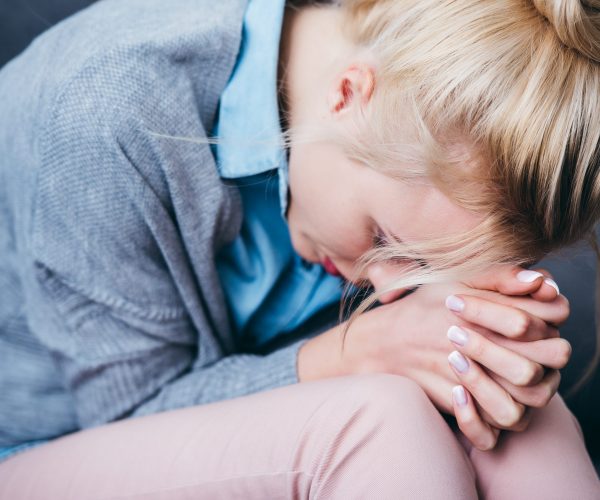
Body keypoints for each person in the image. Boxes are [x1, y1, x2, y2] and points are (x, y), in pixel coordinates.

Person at [0, 0, 598, 497]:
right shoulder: (103, 112)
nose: (387, 289)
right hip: (40, 444)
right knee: (381, 425)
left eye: (430, 270)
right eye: (387, 240)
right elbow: (127, 419)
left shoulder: (400, 127)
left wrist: (491, 344)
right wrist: (358, 349)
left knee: (518, 418)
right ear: (348, 94)